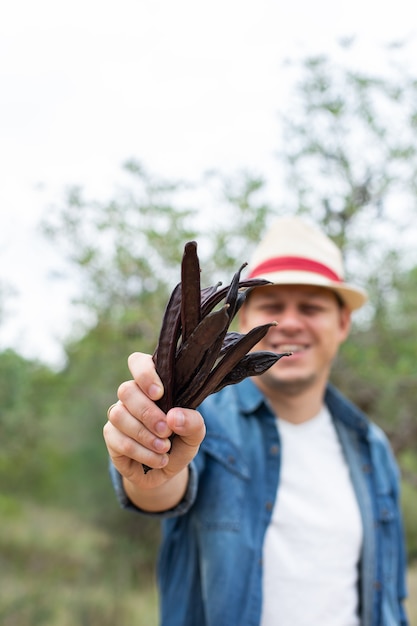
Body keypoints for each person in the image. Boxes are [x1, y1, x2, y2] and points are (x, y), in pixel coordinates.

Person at [103, 216, 409, 626]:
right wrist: (147, 458)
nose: (290, 322)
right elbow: (159, 488)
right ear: (244, 319)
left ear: (342, 324)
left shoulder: (371, 446)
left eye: (311, 307)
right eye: (273, 305)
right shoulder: (197, 421)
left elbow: (388, 596)